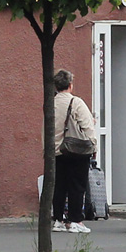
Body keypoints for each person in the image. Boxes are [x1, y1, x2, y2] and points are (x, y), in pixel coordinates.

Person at [50, 69, 97, 234]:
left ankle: (58, 219)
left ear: (56, 85)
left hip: (55, 152)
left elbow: (44, 128)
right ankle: (76, 220)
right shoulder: (76, 102)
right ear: (70, 85)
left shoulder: (50, 103)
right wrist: (94, 146)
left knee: (59, 186)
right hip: (76, 151)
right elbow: (87, 126)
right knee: (77, 185)